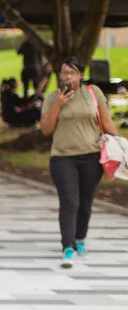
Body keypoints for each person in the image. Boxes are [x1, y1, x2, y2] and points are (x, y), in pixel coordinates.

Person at [40, 56, 120, 268]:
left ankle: (80, 239)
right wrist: (58, 104)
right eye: (64, 73)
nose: (67, 77)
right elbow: (46, 129)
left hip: (92, 157)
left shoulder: (93, 93)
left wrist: (122, 143)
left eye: (72, 73)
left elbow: (106, 121)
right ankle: (67, 246)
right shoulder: (51, 98)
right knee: (70, 202)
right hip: (63, 157)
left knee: (85, 202)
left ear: (80, 75)